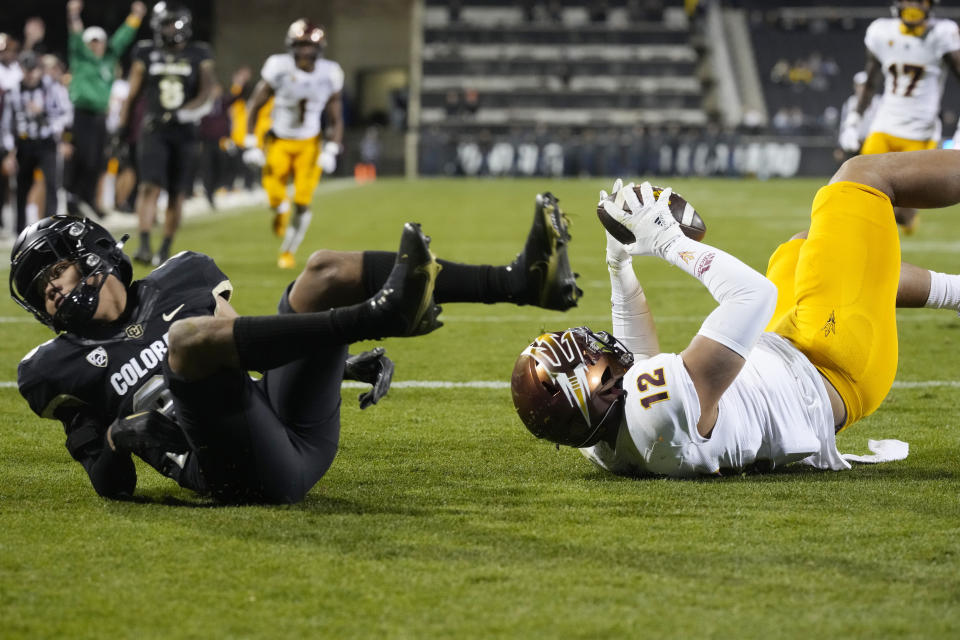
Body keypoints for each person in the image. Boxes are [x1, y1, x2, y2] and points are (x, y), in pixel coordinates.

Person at [10, 193, 582, 503]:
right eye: (45, 292)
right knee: (188, 342)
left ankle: (521, 281)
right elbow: (112, 484)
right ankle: (375, 316)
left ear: (94, 254)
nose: (56, 293)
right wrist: (119, 434)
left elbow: (249, 360)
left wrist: (329, 367)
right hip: (238, 478)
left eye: (57, 272)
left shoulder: (181, 278)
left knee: (322, 272)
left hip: (288, 429)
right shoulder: (54, 368)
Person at [511, 149, 960, 477]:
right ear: (596, 387)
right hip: (834, 361)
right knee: (861, 176)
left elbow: (637, 361)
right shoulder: (660, 409)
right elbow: (753, 296)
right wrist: (670, 242)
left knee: (807, 249)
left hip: (798, 361)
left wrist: (619, 264)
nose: (600, 346)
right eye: (591, 357)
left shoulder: (611, 440)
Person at [839, 0, 960, 233]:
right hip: (884, 125)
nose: (912, 6)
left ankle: (906, 219)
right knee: (858, 188)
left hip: (920, 131)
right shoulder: (881, 32)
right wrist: (853, 121)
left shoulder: (942, 34)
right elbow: (871, 82)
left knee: (902, 212)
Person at [117, 2, 216, 266]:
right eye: (165, 24)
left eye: (174, 24)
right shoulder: (146, 51)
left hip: (186, 132)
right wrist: (121, 129)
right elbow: (132, 93)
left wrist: (184, 112)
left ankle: (165, 247)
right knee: (149, 185)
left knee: (177, 192)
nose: (170, 29)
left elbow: (207, 92)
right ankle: (146, 244)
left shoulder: (199, 52)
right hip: (154, 129)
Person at [242, 19, 344, 269]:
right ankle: (279, 211)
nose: (305, 51)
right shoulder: (278, 67)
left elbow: (335, 118)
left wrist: (331, 148)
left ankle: (288, 250)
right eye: (300, 45)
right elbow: (254, 105)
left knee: (302, 202)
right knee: (277, 198)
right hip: (278, 140)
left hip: (309, 143)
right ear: (291, 45)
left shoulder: (330, 73)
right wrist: (250, 142)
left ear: (319, 48)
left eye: (310, 46)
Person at [64, 0, 145, 219]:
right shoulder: (81, 58)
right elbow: (74, 36)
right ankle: (74, 196)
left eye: (99, 41)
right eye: (91, 41)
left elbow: (122, 39)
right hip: (83, 114)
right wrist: (73, 15)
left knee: (99, 160)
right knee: (85, 158)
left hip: (101, 116)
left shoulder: (109, 60)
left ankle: (88, 199)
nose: (95, 45)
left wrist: (135, 17)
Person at [1, 51, 73, 233]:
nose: (31, 74)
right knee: (22, 186)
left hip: (47, 142)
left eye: (33, 69)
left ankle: (52, 227)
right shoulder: (13, 92)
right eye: (27, 70)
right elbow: (6, 125)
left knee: (52, 185)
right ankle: (19, 231)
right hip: (24, 144)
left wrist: (46, 117)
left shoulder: (52, 89)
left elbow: (66, 114)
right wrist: (9, 152)